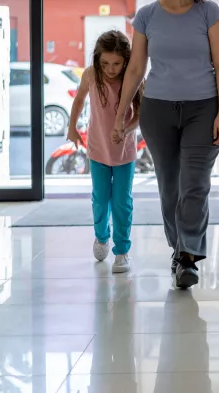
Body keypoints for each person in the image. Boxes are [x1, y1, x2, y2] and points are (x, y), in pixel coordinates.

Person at [113, 0, 219, 289]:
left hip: (203, 108)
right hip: (158, 110)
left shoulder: (208, 12)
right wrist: (121, 114)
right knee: (169, 189)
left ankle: (188, 257)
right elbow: (136, 68)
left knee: (194, 186)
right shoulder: (147, 15)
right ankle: (179, 250)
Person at [68, 30, 142, 274]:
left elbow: (141, 114)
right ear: (97, 60)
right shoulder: (91, 75)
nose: (111, 69)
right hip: (98, 148)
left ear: (127, 60)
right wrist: (72, 128)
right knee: (100, 198)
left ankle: (121, 251)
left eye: (117, 64)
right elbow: (78, 100)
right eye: (105, 63)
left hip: (124, 151)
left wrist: (126, 130)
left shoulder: (133, 77)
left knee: (122, 201)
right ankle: (101, 237)